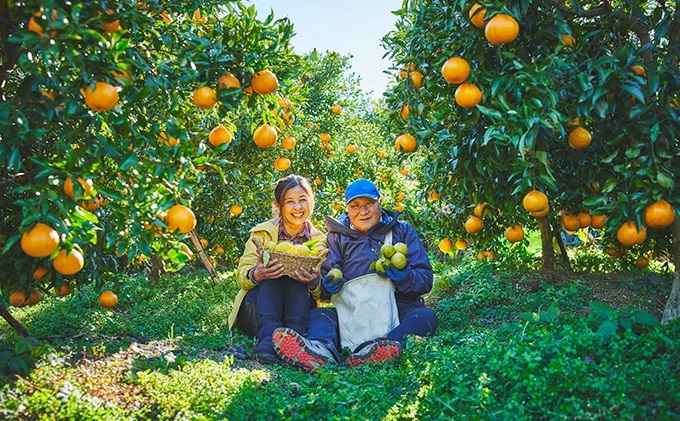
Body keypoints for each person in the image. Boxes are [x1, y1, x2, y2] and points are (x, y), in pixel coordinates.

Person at [272, 178, 438, 371]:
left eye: (369, 204)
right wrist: (327, 285)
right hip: (351, 312)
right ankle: (320, 350)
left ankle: (381, 347)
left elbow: (425, 280)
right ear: (347, 209)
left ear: (380, 203)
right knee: (320, 315)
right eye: (356, 206)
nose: (363, 211)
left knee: (426, 316)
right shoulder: (337, 237)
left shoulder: (402, 231)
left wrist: (404, 277)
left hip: (397, 306)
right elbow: (325, 288)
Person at [228, 175, 326, 364]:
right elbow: (241, 276)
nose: (298, 207)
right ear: (278, 206)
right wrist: (257, 274)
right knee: (275, 265)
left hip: (299, 311)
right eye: (290, 202)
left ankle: (296, 338)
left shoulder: (320, 242)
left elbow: (324, 292)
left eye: (303, 200)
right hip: (259, 311)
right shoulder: (262, 233)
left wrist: (313, 282)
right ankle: (268, 339)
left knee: (296, 272)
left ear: (311, 202)